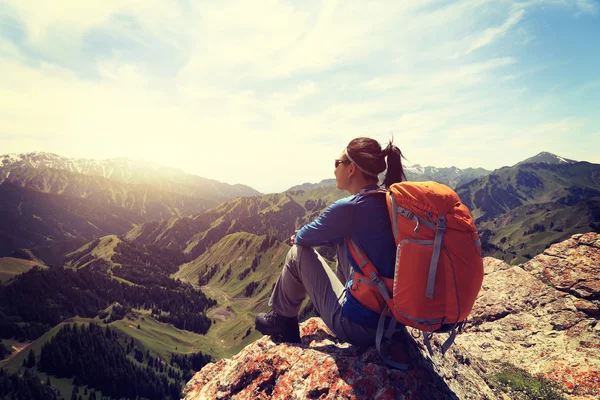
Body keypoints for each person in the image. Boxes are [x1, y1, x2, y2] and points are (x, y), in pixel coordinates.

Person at [255, 137, 407, 346]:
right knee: (344, 241)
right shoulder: (388, 201)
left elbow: (302, 238)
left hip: (359, 328)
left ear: (351, 169)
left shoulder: (349, 207)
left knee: (297, 253)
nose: (335, 170)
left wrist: (303, 235)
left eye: (338, 163)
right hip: (392, 321)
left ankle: (283, 320)